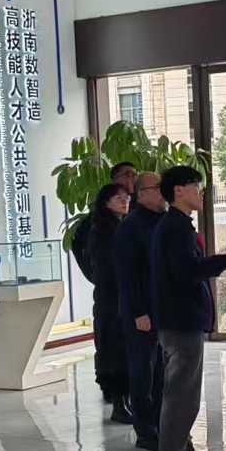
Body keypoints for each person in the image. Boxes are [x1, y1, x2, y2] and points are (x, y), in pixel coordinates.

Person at [150, 165, 226, 451]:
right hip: (180, 320)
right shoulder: (174, 228)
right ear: (178, 190)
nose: (201, 192)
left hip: (181, 319)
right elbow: (187, 270)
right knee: (182, 395)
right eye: (195, 185)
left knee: (182, 392)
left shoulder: (177, 224)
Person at [75, 161, 138, 402]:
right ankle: (114, 394)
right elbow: (83, 252)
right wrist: (96, 278)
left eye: (133, 175)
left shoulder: (132, 216)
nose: (130, 181)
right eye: (125, 176)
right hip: (110, 295)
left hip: (125, 294)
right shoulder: (98, 226)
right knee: (111, 344)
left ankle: (124, 394)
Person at [113, 171, 167, 450]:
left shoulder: (162, 221)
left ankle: (160, 424)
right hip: (141, 313)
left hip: (162, 309)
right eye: (158, 188)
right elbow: (127, 274)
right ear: (142, 193)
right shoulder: (131, 226)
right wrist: (138, 312)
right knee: (142, 373)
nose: (162, 192)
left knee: (160, 374)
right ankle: (145, 431)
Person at [88, 183, 133, 423]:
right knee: (116, 351)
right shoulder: (103, 230)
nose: (125, 200)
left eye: (126, 196)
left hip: (119, 297)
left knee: (123, 351)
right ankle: (118, 404)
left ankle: (125, 401)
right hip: (111, 299)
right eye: (118, 197)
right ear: (106, 203)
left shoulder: (123, 226)